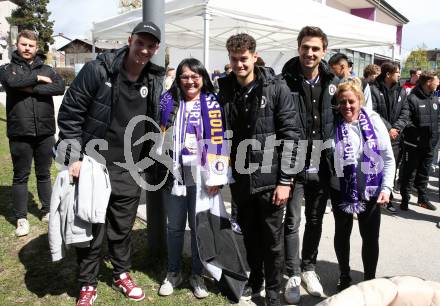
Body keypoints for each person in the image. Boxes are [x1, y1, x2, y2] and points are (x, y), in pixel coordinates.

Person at [56, 21, 165, 305]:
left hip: (130, 167)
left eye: (151, 45)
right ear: (129, 40)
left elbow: (155, 119)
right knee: (91, 227)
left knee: (121, 228)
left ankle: (121, 273)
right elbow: (71, 112)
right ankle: (87, 283)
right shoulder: (98, 69)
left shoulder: (154, 78)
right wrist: (73, 157)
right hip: (94, 165)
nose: (144, 49)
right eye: (140, 42)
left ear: (156, 49)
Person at [218, 33, 300, 306]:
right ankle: (256, 280)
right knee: (250, 236)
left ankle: (274, 290)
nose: (239, 64)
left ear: (254, 56)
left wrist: (286, 180)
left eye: (243, 59)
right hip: (241, 180)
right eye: (234, 59)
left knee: (273, 240)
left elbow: (291, 136)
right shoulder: (226, 88)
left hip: (271, 179)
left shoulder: (276, 87)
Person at [157, 58, 229, 299]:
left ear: (203, 78)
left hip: (201, 174)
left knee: (199, 227)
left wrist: (218, 175)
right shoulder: (168, 101)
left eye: (195, 75)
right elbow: (158, 135)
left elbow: (221, 141)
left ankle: (197, 274)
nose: (190, 80)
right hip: (174, 173)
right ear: (178, 79)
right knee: (175, 227)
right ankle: (174, 271)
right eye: (185, 76)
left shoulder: (213, 103)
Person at [281, 26, 339, 302]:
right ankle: (292, 273)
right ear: (299, 48)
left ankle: (309, 268)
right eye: (305, 47)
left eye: (316, 48)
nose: (310, 53)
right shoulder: (284, 80)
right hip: (293, 162)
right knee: (292, 220)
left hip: (323, 163)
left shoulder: (333, 81)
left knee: (315, 220)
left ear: (324, 51)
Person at [331, 78, 395, 291]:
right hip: (340, 190)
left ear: (359, 100)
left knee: (370, 237)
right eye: (342, 102)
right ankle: (344, 275)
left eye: (351, 101)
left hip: (370, 190)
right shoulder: (333, 123)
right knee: (342, 233)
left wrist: (386, 188)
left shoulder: (374, 121)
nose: (346, 106)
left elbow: (387, 158)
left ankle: (369, 279)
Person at [0, 30, 65, 237]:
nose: (27, 48)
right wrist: (37, 78)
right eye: (23, 44)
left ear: (37, 48)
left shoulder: (48, 68)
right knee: (21, 176)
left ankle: (47, 210)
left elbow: (60, 87)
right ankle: (21, 218)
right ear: (17, 45)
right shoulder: (7, 69)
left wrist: (33, 89)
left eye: (31, 45)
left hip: (45, 130)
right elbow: (12, 83)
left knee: (44, 173)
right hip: (20, 131)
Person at [370, 62, 409, 214]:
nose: (399, 75)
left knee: (390, 168)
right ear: (388, 74)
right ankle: (371, 197)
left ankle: (388, 198)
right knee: (373, 169)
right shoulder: (373, 89)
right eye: (397, 72)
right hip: (377, 137)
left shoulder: (402, 91)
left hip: (395, 139)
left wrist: (396, 129)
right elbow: (372, 112)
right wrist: (388, 129)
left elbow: (405, 113)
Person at [399, 72, 440, 211]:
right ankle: (405, 199)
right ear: (428, 82)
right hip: (413, 144)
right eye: (436, 80)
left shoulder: (434, 99)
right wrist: (417, 135)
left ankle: (422, 199)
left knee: (424, 173)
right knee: (409, 173)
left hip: (429, 144)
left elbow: (438, 120)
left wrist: (435, 135)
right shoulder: (411, 98)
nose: (438, 82)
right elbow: (406, 120)